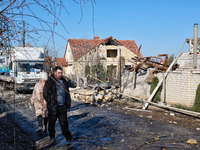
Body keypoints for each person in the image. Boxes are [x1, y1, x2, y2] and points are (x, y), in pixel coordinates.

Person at [43, 66, 72, 143]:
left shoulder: (64, 82)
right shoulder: (50, 82)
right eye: (59, 73)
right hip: (53, 107)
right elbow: (45, 94)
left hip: (62, 107)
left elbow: (67, 94)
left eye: (61, 73)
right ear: (55, 72)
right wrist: (50, 102)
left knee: (64, 123)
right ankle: (52, 135)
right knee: (51, 124)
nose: (60, 74)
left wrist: (68, 103)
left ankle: (68, 137)